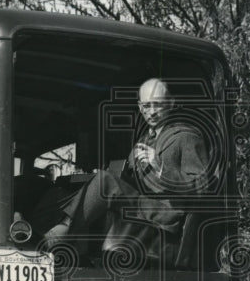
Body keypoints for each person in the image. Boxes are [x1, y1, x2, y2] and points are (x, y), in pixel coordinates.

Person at [37, 78, 216, 254]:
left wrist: (161, 169)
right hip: (141, 200)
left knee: (104, 183)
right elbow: (130, 178)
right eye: (146, 106)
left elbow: (202, 187)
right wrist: (106, 174)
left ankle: (57, 237)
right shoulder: (145, 140)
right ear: (140, 107)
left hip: (165, 211)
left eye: (157, 105)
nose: (151, 112)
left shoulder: (186, 136)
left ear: (171, 103)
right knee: (66, 190)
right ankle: (40, 232)